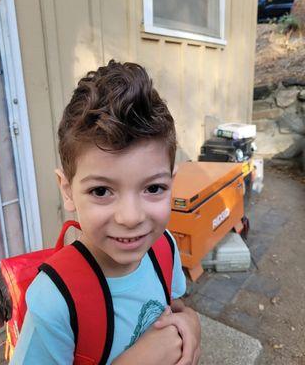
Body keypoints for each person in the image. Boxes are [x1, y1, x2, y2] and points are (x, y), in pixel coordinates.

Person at [11, 60, 201, 364]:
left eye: (153, 188)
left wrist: (190, 322)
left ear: (171, 183)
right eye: (101, 191)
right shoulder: (54, 301)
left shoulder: (164, 246)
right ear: (67, 190)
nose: (131, 217)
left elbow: (174, 304)